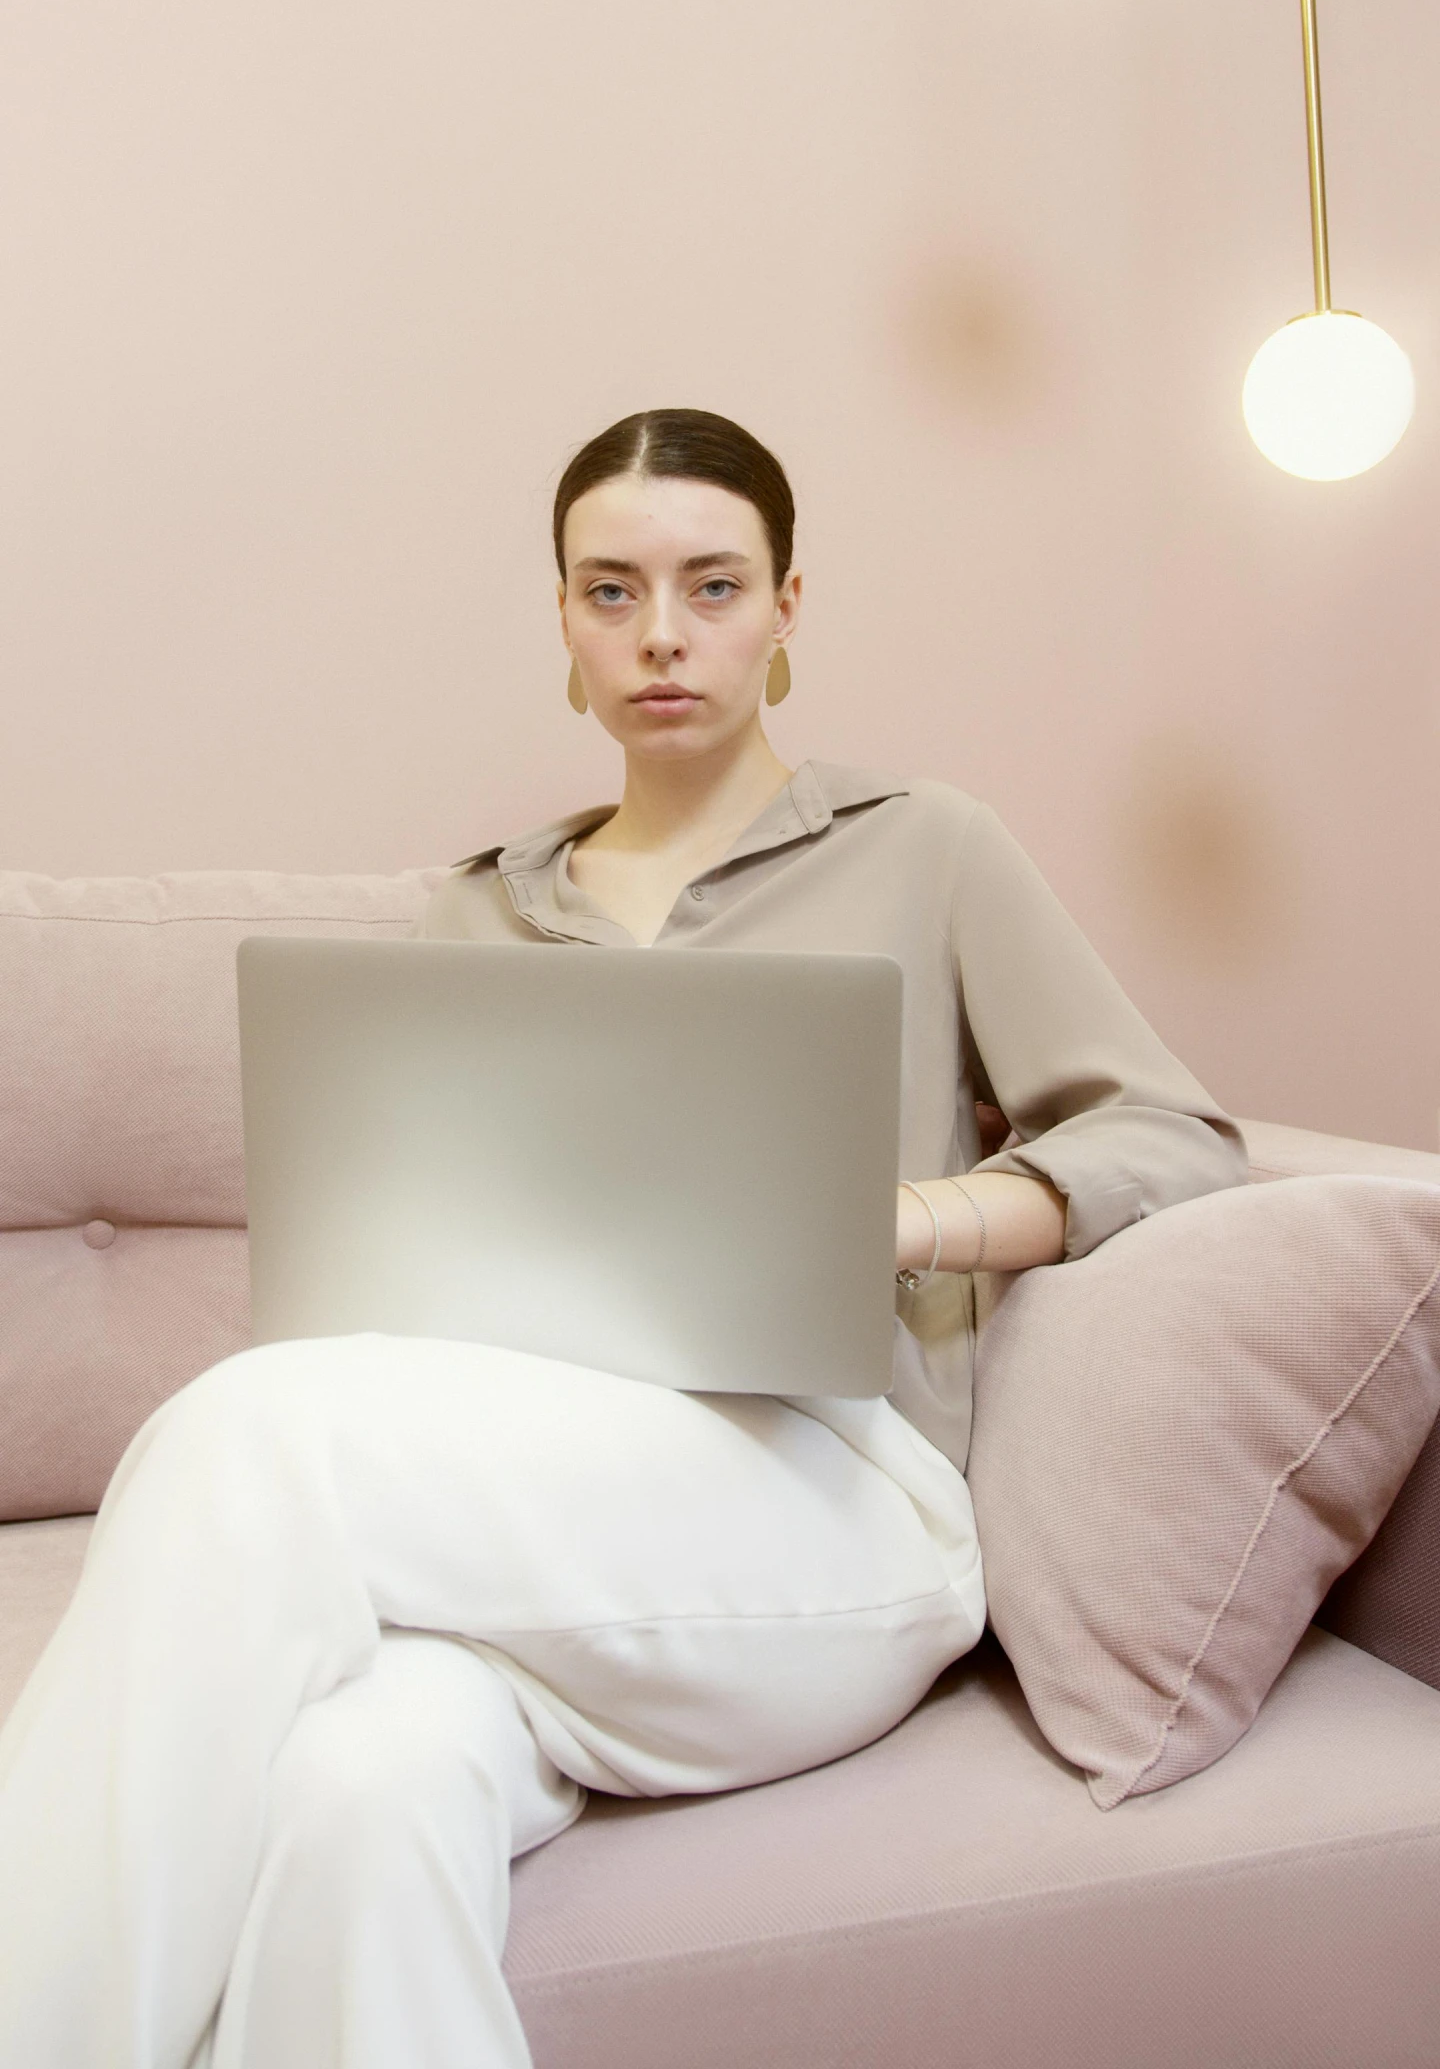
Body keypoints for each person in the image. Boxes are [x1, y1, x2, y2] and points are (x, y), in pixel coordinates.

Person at [0, 406, 1247, 2069]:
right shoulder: (482, 908)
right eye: (611, 592)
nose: (661, 633)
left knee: (243, 1432)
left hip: (836, 1501)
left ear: (789, 608)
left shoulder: (924, 845)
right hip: (527, 1523)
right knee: (357, 1790)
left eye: (712, 585)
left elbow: (1175, 1138)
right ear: (566, 625)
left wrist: (913, 1217)